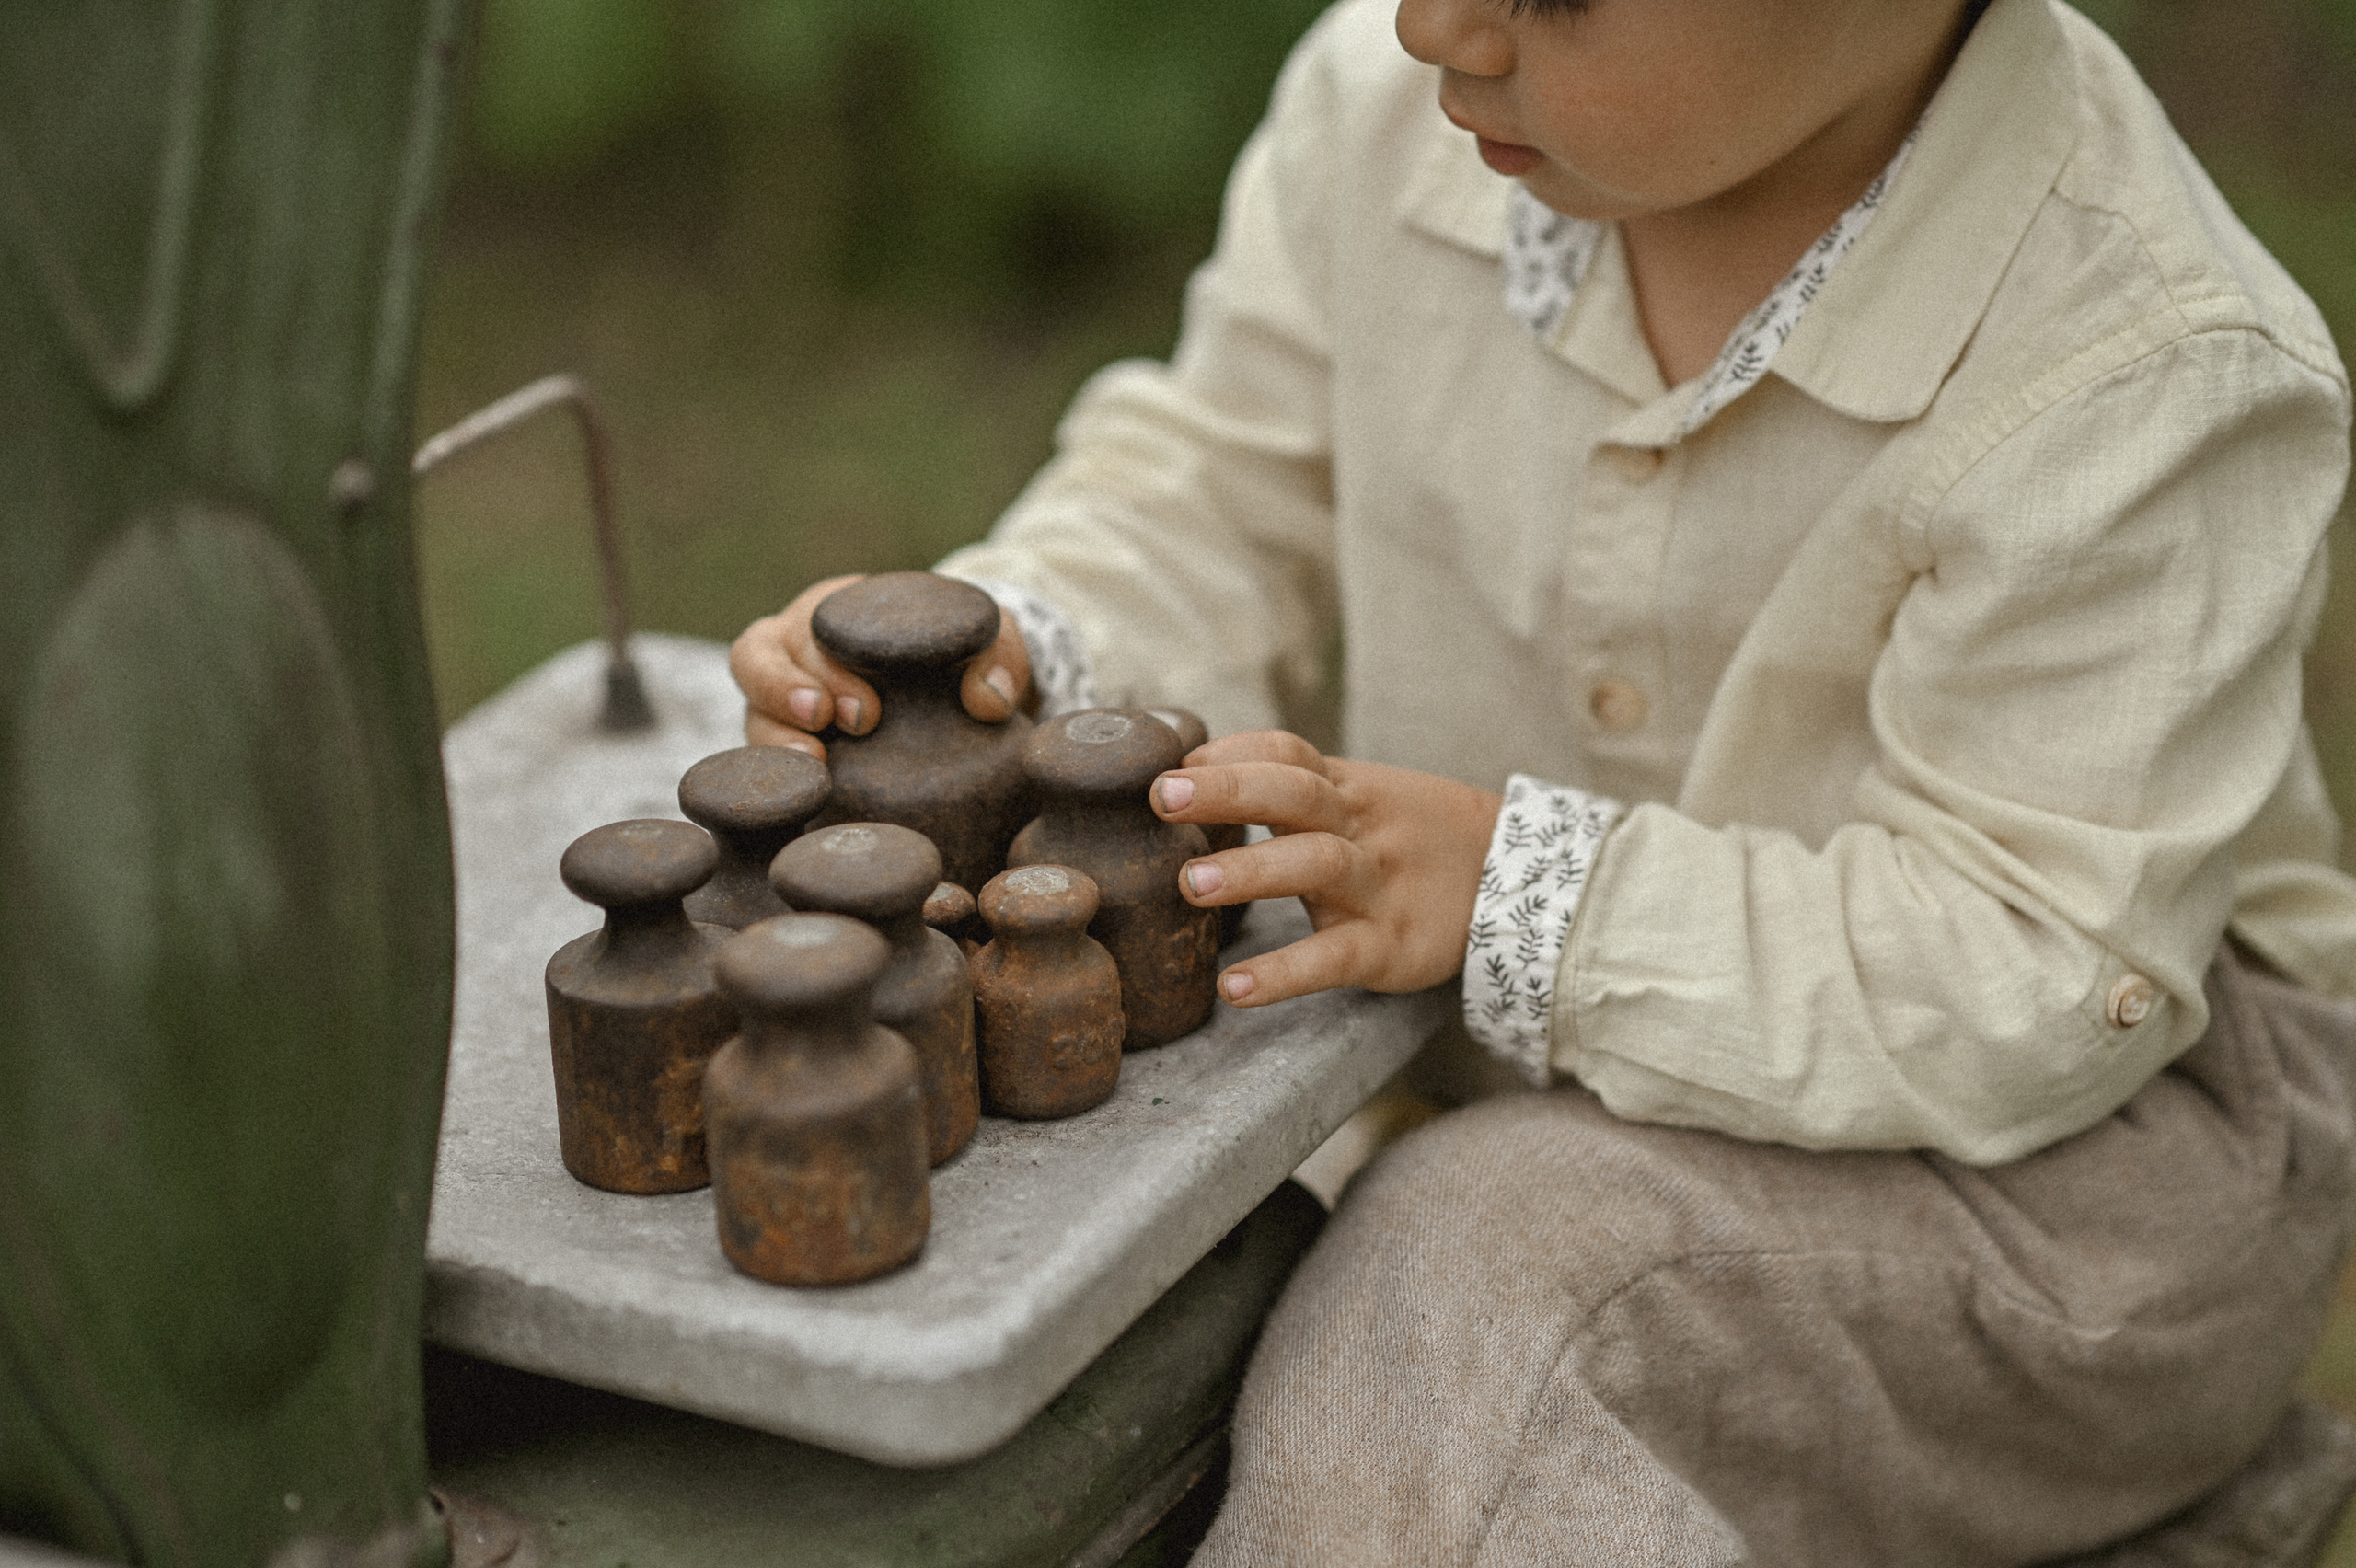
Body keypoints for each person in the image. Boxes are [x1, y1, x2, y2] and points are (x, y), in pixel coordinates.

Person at [731, 0, 2356, 1559]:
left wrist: (1535, 901)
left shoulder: (2143, 367)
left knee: (1487, 1284)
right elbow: (1224, 497)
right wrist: (1014, 663)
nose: (1436, 25)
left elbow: (2030, 959)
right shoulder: (1381, 125)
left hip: (2084, 1182)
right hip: (1550, 1090)